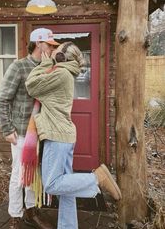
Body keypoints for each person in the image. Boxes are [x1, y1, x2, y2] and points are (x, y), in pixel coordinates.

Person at [25, 41, 122, 229]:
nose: (53, 52)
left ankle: (97, 178)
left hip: (57, 136)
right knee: (67, 189)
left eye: (57, 50)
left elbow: (31, 86)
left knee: (51, 184)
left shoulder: (60, 73)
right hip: (63, 136)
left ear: (62, 57)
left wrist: (44, 64)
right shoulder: (65, 73)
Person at [0, 28, 59, 229]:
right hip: (22, 132)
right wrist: (6, 129)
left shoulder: (50, 68)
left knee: (36, 173)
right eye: (50, 44)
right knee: (18, 175)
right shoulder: (19, 67)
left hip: (43, 132)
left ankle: (31, 212)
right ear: (39, 44)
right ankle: (15, 215)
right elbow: (2, 99)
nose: (52, 47)